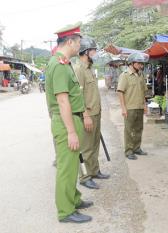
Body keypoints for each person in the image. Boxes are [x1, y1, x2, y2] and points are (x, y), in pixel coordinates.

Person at [45, 22, 93, 223]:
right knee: (66, 168)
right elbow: (63, 100)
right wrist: (71, 132)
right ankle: (65, 211)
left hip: (71, 120)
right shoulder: (58, 65)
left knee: (72, 165)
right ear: (70, 42)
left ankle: (73, 199)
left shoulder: (64, 63)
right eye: (79, 42)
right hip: (67, 124)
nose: (80, 46)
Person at [74, 37, 110, 190]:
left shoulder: (89, 68)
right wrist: (86, 115)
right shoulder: (79, 69)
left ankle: (94, 171)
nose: (95, 52)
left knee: (95, 144)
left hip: (96, 113)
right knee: (87, 147)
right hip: (87, 115)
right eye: (93, 50)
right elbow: (78, 96)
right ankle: (85, 177)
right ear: (85, 52)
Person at [117, 52, 149, 160]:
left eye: (141, 63)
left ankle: (137, 148)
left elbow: (143, 92)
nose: (141, 65)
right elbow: (120, 92)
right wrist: (123, 108)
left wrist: (145, 105)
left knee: (139, 129)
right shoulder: (124, 75)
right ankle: (129, 151)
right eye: (139, 63)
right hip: (129, 108)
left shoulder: (141, 75)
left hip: (139, 107)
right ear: (132, 63)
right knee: (129, 130)